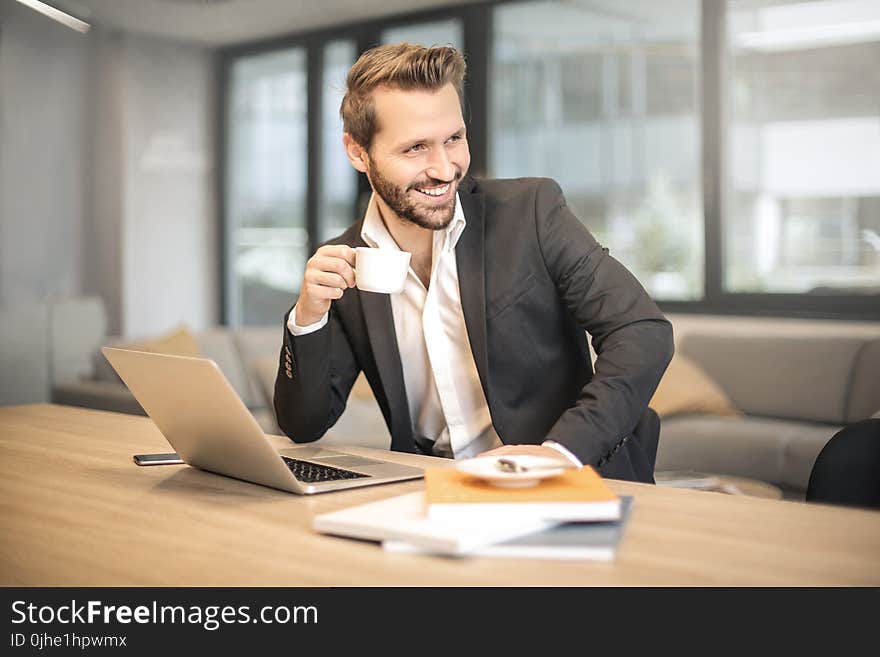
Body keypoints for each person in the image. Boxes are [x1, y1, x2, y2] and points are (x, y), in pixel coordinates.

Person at [274, 43, 674, 482]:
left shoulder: (532, 212)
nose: (445, 168)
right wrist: (308, 317)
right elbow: (304, 425)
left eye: (454, 139)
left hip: (564, 480)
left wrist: (561, 451)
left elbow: (641, 331)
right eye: (415, 149)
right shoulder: (347, 262)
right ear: (357, 153)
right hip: (434, 488)